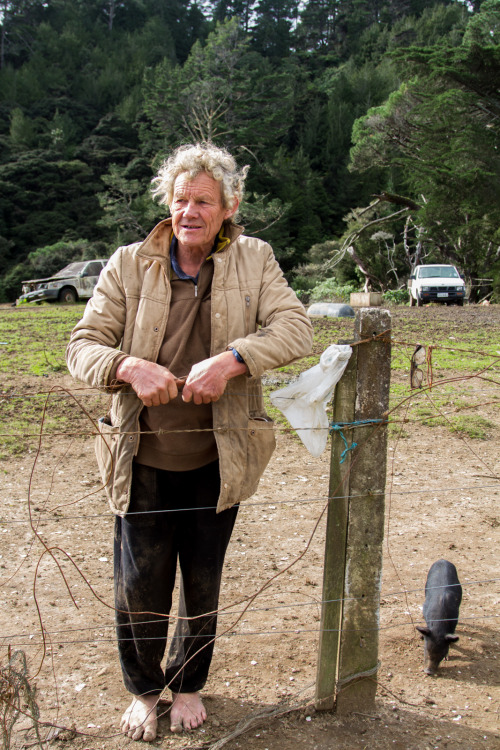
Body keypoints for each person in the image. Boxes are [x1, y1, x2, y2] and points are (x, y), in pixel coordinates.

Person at [66, 142, 313, 741]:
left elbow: (296, 327)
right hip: (141, 457)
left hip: (217, 456)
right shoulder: (128, 263)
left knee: (204, 580)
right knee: (138, 586)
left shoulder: (256, 259)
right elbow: (82, 345)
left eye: (204, 200)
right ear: (167, 205)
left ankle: (190, 683)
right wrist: (128, 367)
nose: (190, 211)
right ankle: (147, 691)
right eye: (180, 199)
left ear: (229, 206)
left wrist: (233, 360)